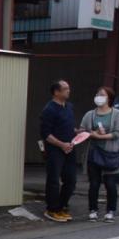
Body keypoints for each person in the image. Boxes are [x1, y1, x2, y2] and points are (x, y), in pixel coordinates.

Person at [81, 86, 119, 222]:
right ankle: (92, 210)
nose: (98, 97)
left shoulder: (117, 114)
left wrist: (102, 136)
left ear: (109, 98)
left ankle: (110, 210)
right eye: (97, 94)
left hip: (111, 153)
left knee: (110, 183)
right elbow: (82, 130)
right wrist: (90, 133)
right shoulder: (90, 114)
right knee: (94, 183)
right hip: (93, 152)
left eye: (102, 94)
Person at [41, 80, 78, 223]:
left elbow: (68, 128)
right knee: (53, 180)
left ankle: (61, 206)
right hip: (55, 150)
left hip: (70, 148)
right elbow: (45, 133)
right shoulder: (49, 109)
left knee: (71, 180)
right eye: (65, 88)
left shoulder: (69, 107)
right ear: (56, 92)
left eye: (69, 88)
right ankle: (52, 209)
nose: (69, 90)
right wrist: (61, 144)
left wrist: (78, 132)